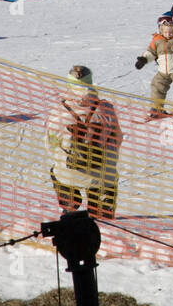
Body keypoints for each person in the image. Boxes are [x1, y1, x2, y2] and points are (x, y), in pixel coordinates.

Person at [46, 65, 121, 219]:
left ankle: (69, 203)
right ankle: (102, 206)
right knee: (109, 171)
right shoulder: (106, 108)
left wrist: (62, 156)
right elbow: (117, 138)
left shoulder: (59, 109)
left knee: (55, 169)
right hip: (101, 170)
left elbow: (50, 143)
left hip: (69, 170)